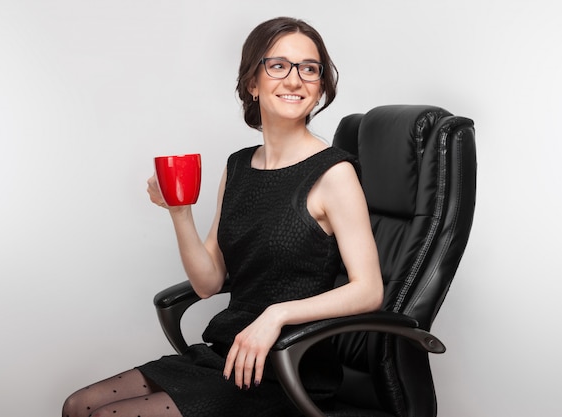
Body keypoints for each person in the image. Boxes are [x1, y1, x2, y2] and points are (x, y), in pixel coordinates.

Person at [62, 16, 383, 417]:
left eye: (309, 69)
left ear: (319, 88)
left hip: (286, 369)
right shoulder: (239, 166)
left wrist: (277, 315)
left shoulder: (335, 174)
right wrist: (180, 211)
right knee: (77, 406)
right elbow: (209, 281)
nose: (295, 79)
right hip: (228, 356)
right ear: (252, 82)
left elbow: (369, 290)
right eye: (278, 65)